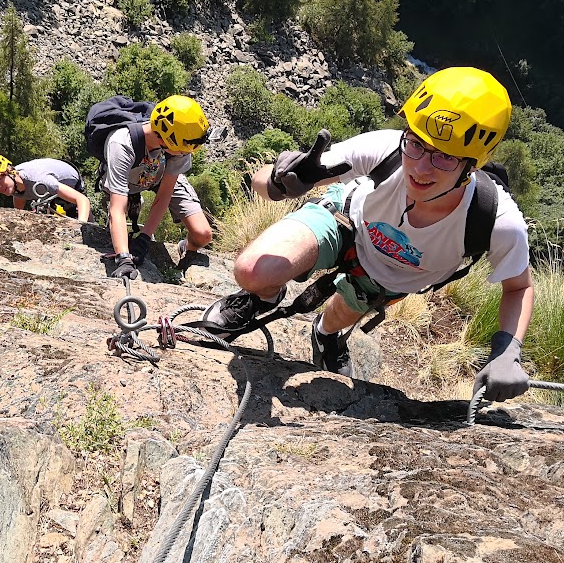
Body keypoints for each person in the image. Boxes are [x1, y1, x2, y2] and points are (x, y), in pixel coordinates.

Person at [199, 67, 534, 403]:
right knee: (252, 271)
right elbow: (261, 181)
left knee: (337, 317)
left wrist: (508, 351)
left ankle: (325, 335)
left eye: (445, 157)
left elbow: (519, 287)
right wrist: (278, 182)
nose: (420, 168)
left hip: (389, 278)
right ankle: (260, 297)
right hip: (345, 221)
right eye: (416, 144)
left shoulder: (495, 220)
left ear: (472, 166)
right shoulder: (386, 149)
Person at [100, 95, 214, 279]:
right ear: (166, 140)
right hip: (130, 177)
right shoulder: (122, 143)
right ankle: (129, 211)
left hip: (160, 175)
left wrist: (145, 238)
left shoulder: (180, 144)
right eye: (184, 150)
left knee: (203, 234)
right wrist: (124, 258)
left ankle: (185, 247)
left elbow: (165, 195)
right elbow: (117, 207)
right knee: (119, 222)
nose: (186, 154)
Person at [0, 154, 92, 222]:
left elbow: (82, 200)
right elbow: (19, 198)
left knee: (85, 229)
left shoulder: (40, 180)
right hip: (49, 193)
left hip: (71, 185)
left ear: (9, 171)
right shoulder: (13, 185)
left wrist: (81, 226)